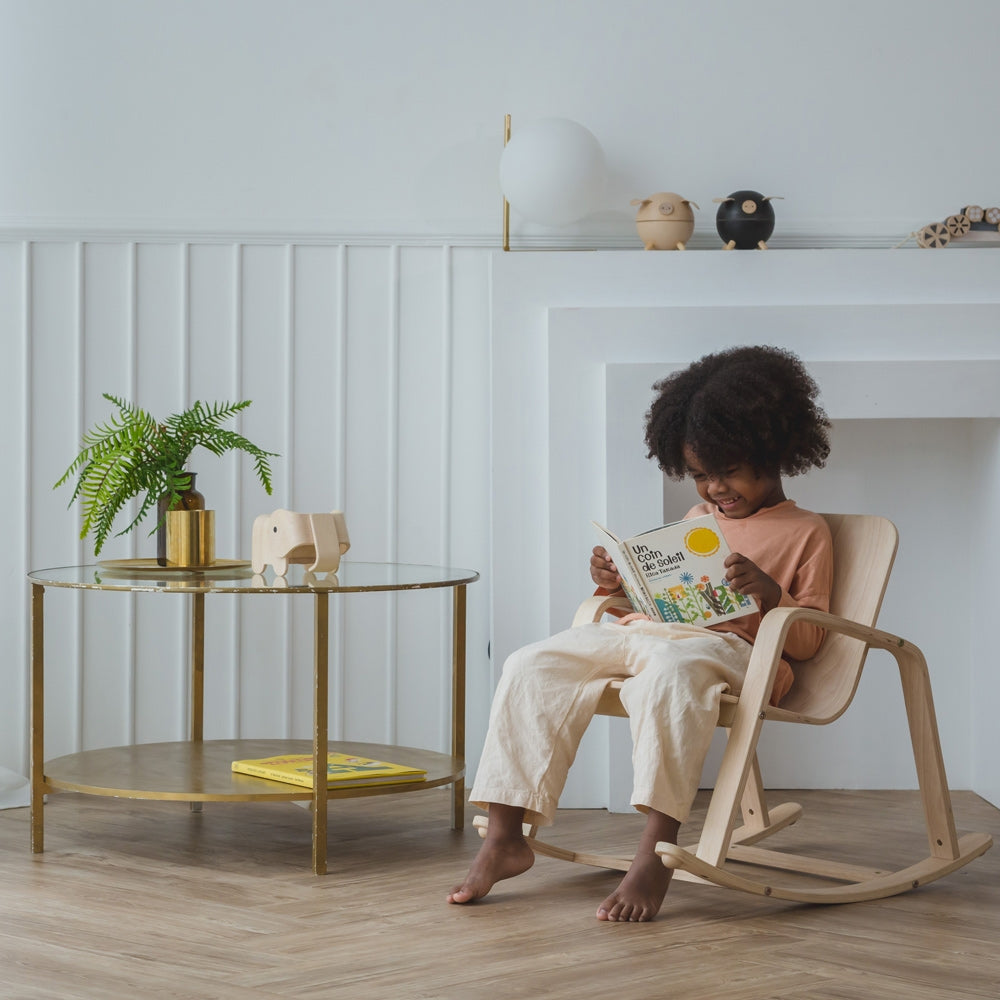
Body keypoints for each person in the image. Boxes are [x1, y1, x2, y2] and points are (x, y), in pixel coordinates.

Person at [448, 344, 834, 922]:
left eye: (728, 472)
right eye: (701, 475)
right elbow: (667, 597)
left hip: (728, 651)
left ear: (772, 454)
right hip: (648, 633)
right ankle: (505, 835)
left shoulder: (808, 532)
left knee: (672, 680)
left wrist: (769, 592)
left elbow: (807, 642)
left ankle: (655, 852)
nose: (713, 489)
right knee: (532, 662)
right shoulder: (699, 521)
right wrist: (615, 585)